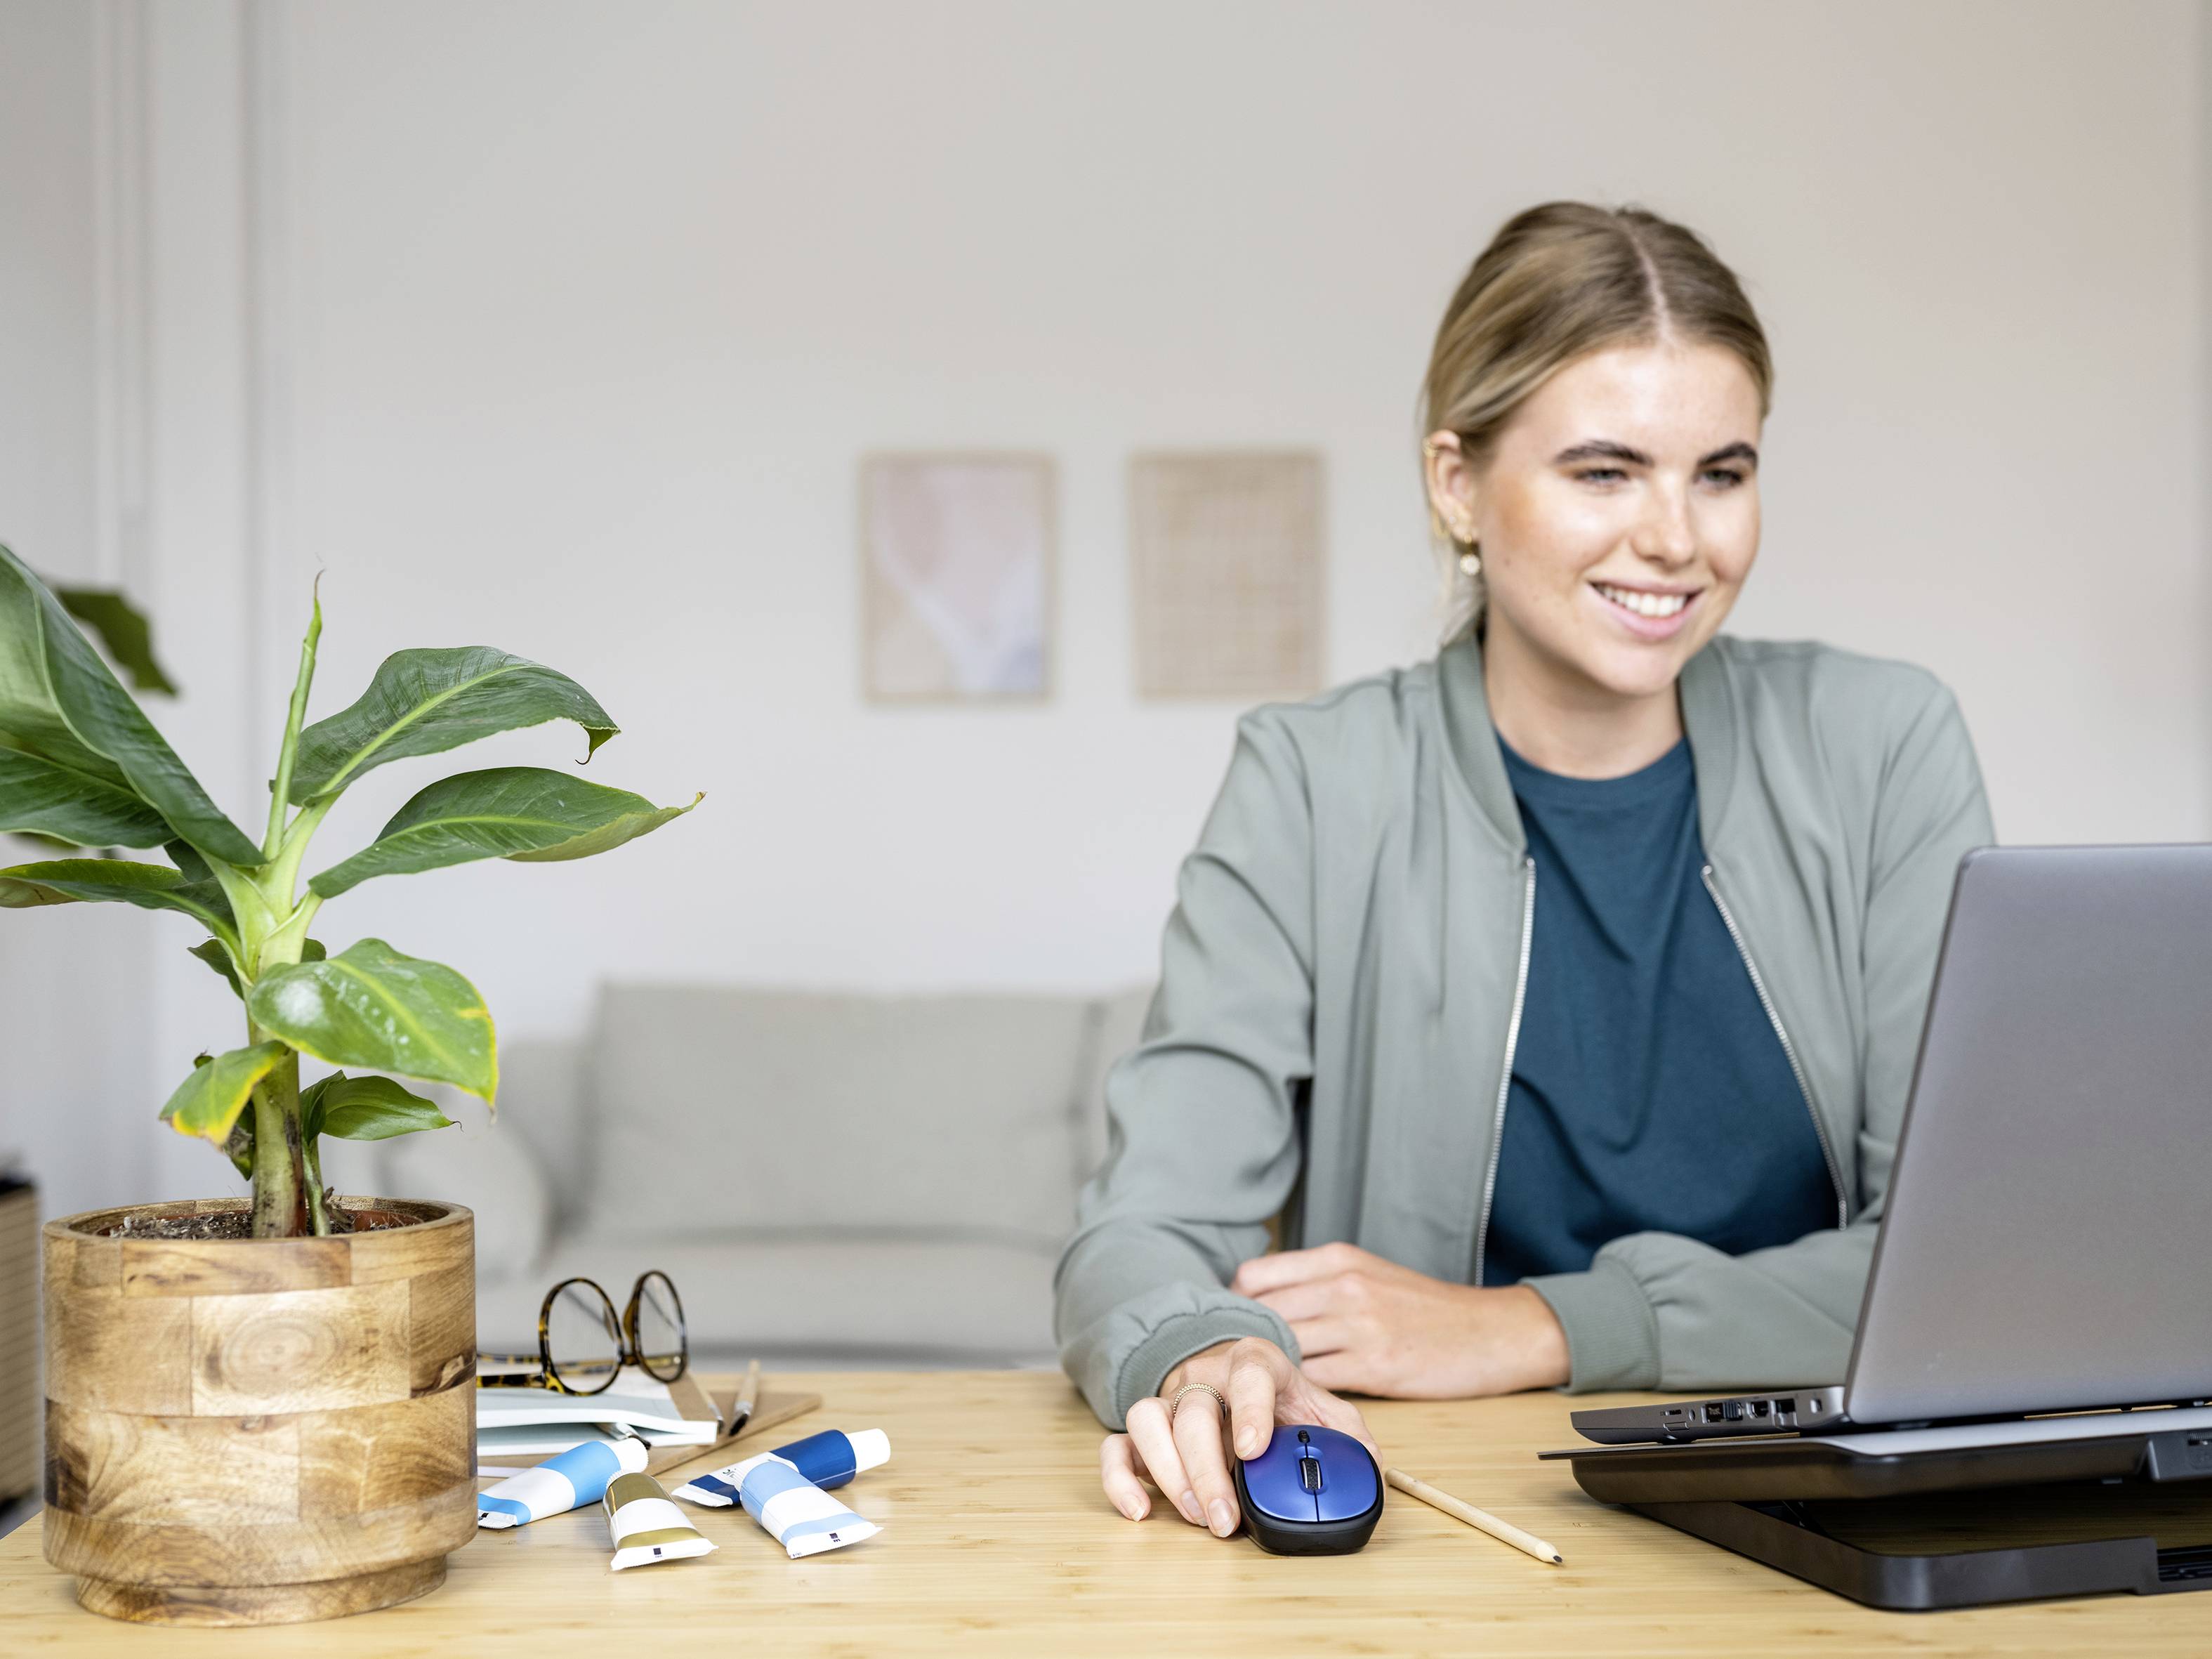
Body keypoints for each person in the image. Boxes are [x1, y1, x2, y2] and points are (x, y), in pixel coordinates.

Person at [1058, 201, 1994, 1540]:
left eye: (1720, 473)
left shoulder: (1884, 743)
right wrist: (1203, 1349)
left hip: (1828, 1495)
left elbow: (1957, 1259)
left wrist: (1538, 1324)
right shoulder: (1314, 780)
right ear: (1456, 483)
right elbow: (1141, 1229)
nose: (1678, 539)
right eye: (1606, 472)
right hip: (1454, 1512)